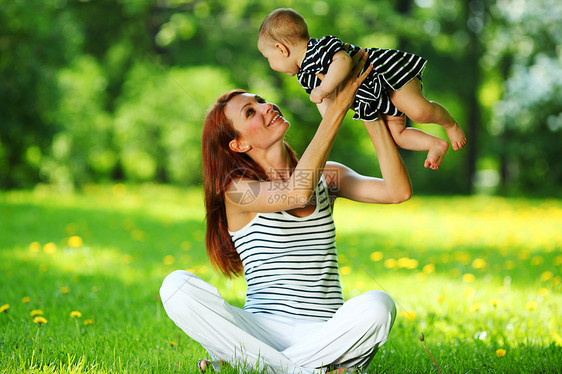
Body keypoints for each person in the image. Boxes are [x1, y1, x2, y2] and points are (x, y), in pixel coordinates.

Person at [159, 51, 412, 374]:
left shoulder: (327, 177)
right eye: (251, 111)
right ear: (238, 144)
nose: (267, 107)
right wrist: (336, 108)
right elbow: (295, 192)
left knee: (379, 305)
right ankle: (304, 370)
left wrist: (369, 111)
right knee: (175, 286)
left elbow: (397, 191)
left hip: (325, 334)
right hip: (260, 332)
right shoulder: (237, 190)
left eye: (261, 100)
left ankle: (257, 367)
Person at [257, 8, 467, 170]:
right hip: (376, 99)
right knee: (398, 136)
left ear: (281, 49)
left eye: (268, 58)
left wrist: (324, 89)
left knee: (418, 111)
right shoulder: (305, 77)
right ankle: (434, 144)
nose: (270, 64)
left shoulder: (318, 48)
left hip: (386, 76)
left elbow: (343, 62)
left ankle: (449, 124)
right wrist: (330, 121)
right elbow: (328, 106)